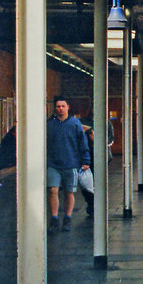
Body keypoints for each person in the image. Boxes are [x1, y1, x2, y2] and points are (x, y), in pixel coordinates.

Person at [47, 96, 91, 232]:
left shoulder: (75, 123)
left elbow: (82, 142)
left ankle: (67, 217)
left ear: (68, 107)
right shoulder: (50, 124)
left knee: (69, 192)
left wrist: (85, 160)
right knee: (52, 190)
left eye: (62, 106)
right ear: (55, 108)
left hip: (71, 163)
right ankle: (54, 218)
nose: (60, 109)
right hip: (53, 163)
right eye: (58, 106)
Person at [79, 109, 114, 216]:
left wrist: (96, 140)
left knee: (98, 181)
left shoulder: (106, 122)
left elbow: (111, 139)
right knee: (85, 183)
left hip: (102, 156)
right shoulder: (83, 121)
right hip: (86, 156)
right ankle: (91, 202)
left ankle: (97, 205)